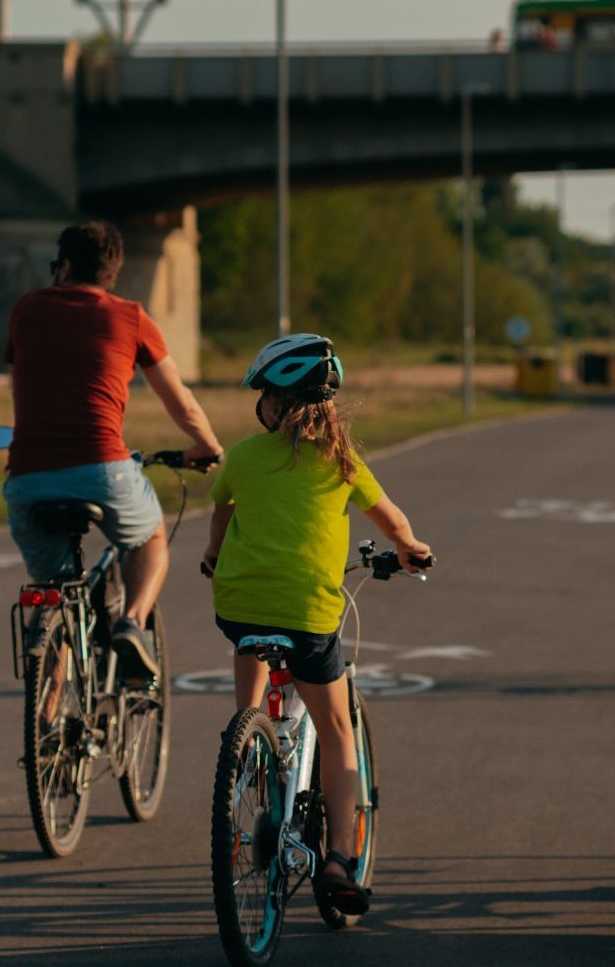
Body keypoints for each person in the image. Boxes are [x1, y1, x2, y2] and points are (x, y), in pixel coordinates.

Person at [202, 334, 431, 916]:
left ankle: (248, 736)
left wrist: (212, 552)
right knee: (335, 730)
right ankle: (337, 859)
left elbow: (223, 510)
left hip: (237, 608)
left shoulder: (243, 457)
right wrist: (409, 548)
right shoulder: (343, 463)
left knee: (249, 643)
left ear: (274, 404)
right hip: (308, 618)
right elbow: (394, 519)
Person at [3, 219, 223, 679]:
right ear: (112, 273)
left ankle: (47, 729)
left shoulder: (26, 309)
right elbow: (178, 399)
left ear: (63, 266)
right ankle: (131, 623)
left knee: (56, 592)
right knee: (149, 538)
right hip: (103, 469)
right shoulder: (130, 317)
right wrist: (206, 445)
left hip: (27, 477)